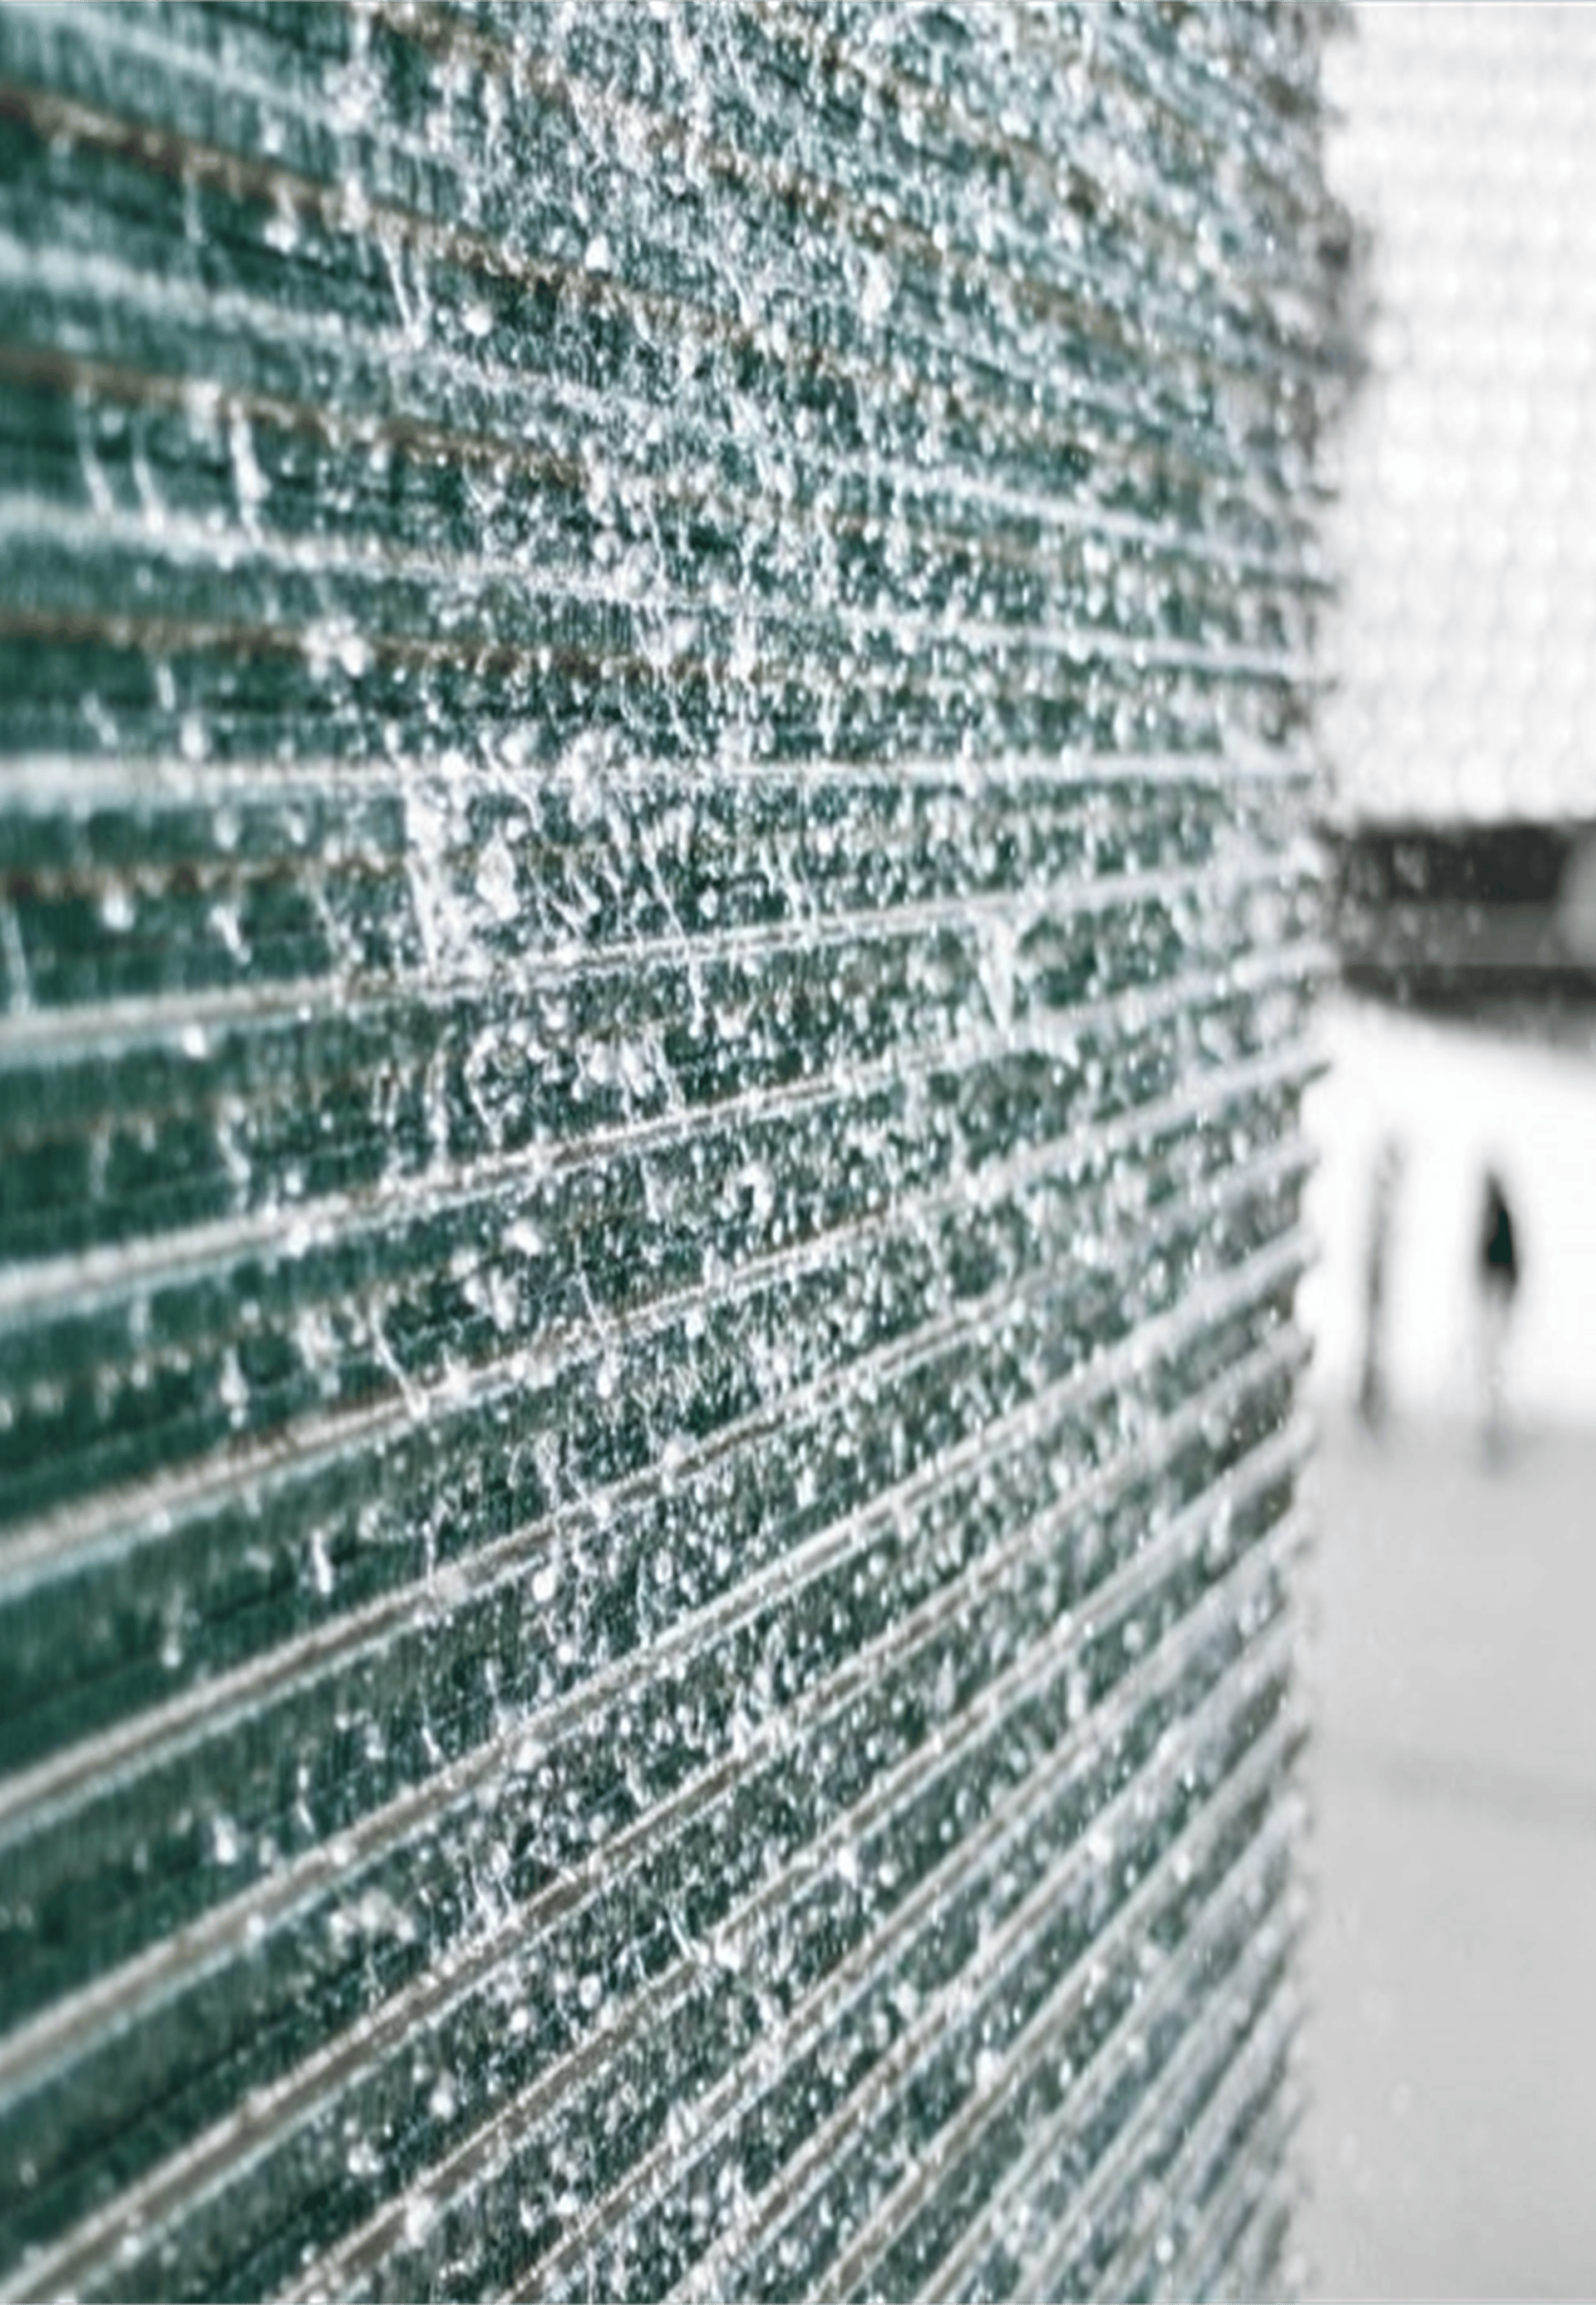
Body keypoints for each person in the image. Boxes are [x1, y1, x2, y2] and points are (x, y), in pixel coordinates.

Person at [1477, 1167, 1520, 1460]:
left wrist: (1501, 1291)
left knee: (1495, 1367)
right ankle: (1494, 1423)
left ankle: (1497, 1424)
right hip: (1496, 1295)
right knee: (1493, 1367)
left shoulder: (1498, 1218)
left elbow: (1505, 1259)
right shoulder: (1495, 1217)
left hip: (1497, 1295)